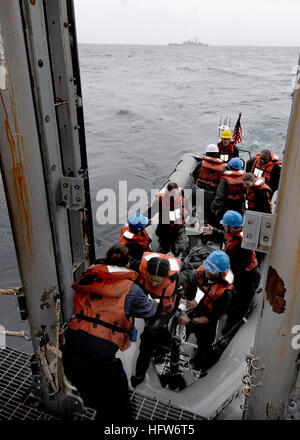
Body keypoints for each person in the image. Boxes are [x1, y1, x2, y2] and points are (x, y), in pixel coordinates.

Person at [62, 244, 158, 421]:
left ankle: (95, 407)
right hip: (100, 354)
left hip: (71, 346)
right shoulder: (132, 289)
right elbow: (150, 310)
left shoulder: (90, 275)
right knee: (119, 401)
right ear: (128, 264)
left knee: (88, 391)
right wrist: (152, 300)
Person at [131, 252, 197, 387]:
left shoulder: (179, 278)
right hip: (148, 304)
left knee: (148, 337)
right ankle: (161, 339)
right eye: (151, 279)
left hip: (164, 311)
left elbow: (194, 276)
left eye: (158, 280)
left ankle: (140, 372)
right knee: (150, 329)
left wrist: (190, 297)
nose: (154, 283)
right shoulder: (140, 267)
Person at [200, 211, 261, 329]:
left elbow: (238, 270)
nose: (223, 226)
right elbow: (226, 237)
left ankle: (230, 328)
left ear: (230, 227)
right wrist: (214, 231)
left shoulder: (242, 247)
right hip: (240, 274)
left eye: (224, 225)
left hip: (248, 280)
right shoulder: (235, 234)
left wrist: (222, 277)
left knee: (239, 306)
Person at [178, 250, 234, 371]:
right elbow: (186, 267)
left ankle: (204, 365)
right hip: (191, 309)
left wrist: (190, 321)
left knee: (205, 346)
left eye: (212, 271)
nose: (207, 272)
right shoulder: (204, 268)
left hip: (205, 320)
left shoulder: (225, 293)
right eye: (207, 267)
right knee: (179, 336)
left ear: (221, 272)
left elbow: (211, 318)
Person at [192, 144, 225, 228]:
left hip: (197, 191)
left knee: (193, 203)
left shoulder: (201, 164)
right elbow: (222, 184)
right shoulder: (222, 168)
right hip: (211, 195)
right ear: (217, 154)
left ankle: (193, 217)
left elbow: (194, 174)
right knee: (208, 213)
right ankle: (206, 228)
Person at [155, 182, 189, 256]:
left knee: (180, 245)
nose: (175, 196)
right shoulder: (162, 200)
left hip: (176, 226)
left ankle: (175, 252)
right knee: (164, 243)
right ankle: (164, 253)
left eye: (176, 193)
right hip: (166, 226)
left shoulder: (182, 197)